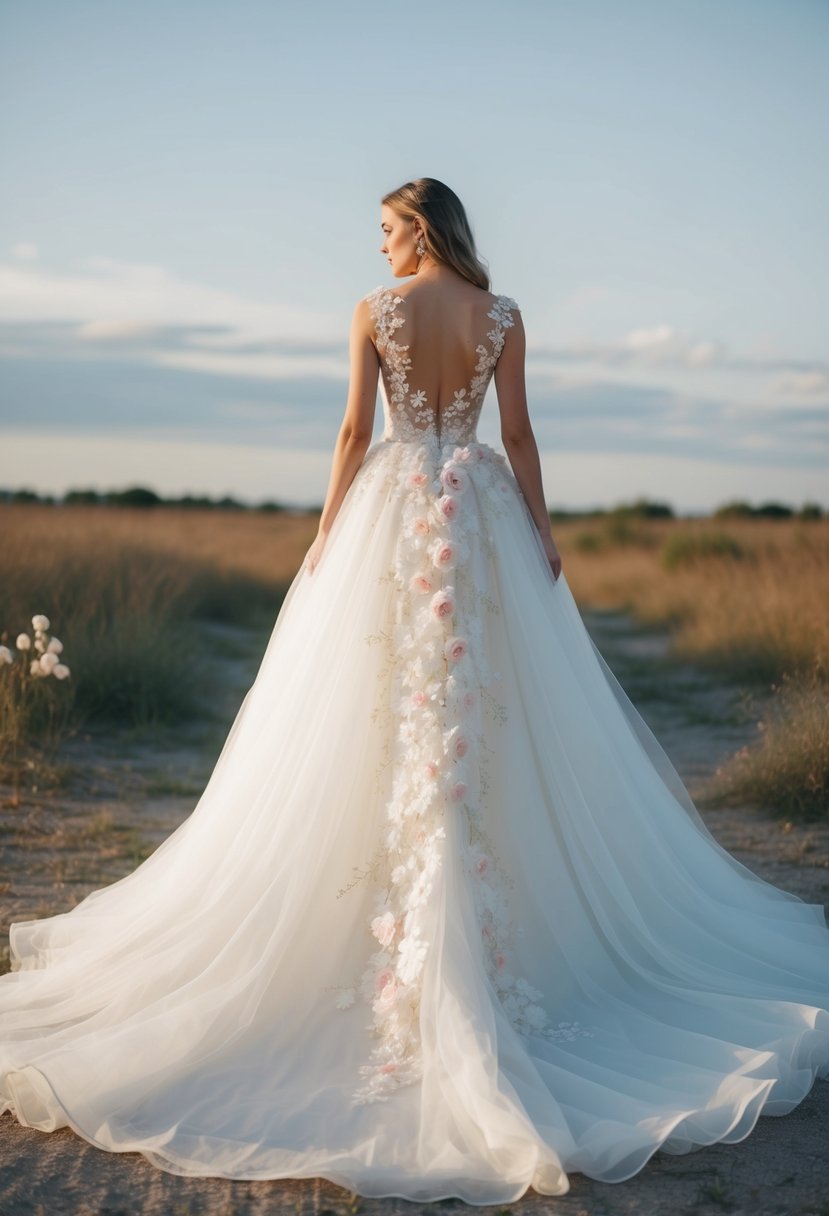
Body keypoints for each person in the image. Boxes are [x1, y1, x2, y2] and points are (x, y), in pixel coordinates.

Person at [1, 177, 827, 1206]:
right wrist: (540, 530)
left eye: (387, 230)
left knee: (374, 703)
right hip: (476, 509)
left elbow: (355, 434)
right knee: (486, 710)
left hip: (393, 510)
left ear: (419, 227)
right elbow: (517, 437)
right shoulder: (504, 316)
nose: (381, 248)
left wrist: (323, 531)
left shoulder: (374, 311)